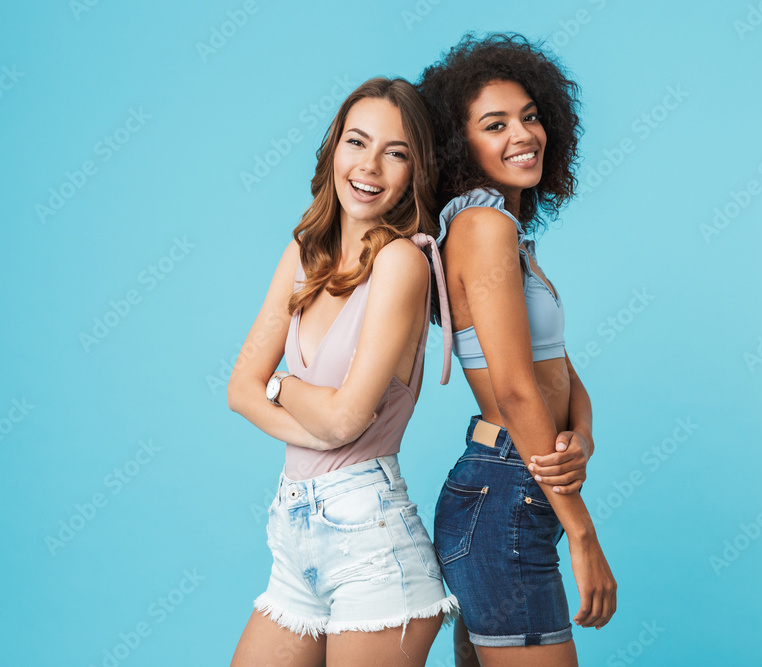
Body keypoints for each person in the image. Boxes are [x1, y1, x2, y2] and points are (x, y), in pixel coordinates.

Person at [227, 76, 457, 667]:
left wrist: (282, 387)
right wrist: (311, 417)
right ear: (334, 148)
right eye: (357, 142)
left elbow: (347, 418)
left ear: (416, 171)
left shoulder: (403, 263)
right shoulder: (304, 255)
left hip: (372, 549)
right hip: (294, 539)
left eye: (396, 153)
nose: (370, 166)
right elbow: (239, 390)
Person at [417, 33, 617, 666]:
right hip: (507, 492)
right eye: (495, 124)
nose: (523, 134)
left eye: (530, 116)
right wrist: (583, 534)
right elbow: (512, 389)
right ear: (460, 143)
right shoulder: (482, 226)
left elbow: (555, 363)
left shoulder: (504, 230)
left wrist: (580, 431)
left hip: (514, 483)